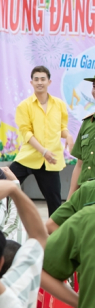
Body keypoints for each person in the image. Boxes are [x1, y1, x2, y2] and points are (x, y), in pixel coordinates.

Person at [10, 66, 73, 216]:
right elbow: (26, 133)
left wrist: (68, 136)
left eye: (43, 79)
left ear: (49, 82)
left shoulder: (59, 104)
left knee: (55, 203)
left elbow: (62, 128)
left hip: (50, 161)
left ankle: (55, 230)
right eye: (36, 79)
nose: (39, 82)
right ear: (31, 82)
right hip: (29, 157)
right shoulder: (24, 106)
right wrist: (43, 151)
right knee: (4, 185)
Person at [68, 75, 95, 198]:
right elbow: (80, 164)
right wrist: (70, 199)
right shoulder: (87, 123)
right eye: (94, 86)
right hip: (85, 195)